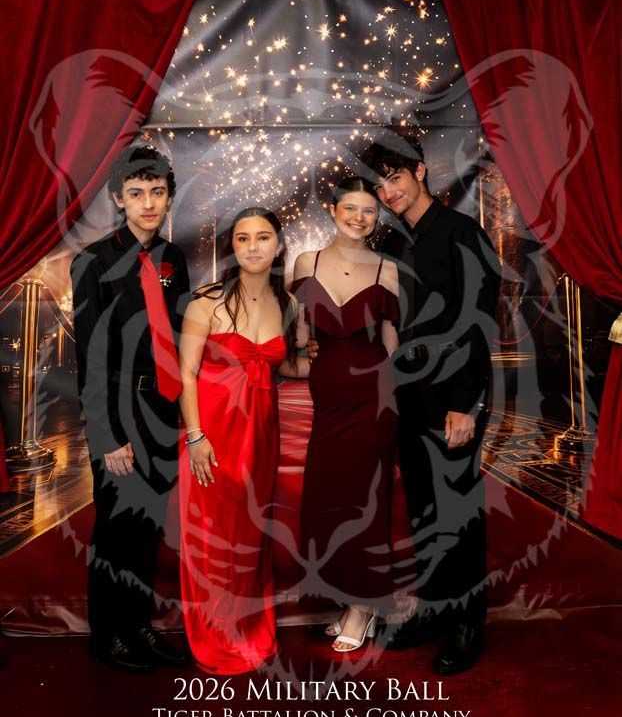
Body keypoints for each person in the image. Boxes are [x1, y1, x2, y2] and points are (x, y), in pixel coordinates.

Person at [360, 133, 501, 674]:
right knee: (423, 507)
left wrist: (465, 404)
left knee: (458, 509)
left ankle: (468, 623)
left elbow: (479, 322)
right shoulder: (391, 243)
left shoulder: (463, 232)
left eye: (395, 178)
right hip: (408, 394)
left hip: (454, 394)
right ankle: (434, 609)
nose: (388, 192)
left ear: (420, 172)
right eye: (380, 186)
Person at [71, 145, 191, 673]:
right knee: (116, 529)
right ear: (119, 199)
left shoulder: (173, 259)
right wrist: (105, 436)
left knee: (147, 528)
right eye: (136, 193)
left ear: (168, 197)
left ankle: (139, 625)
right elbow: (90, 356)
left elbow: (181, 334)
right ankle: (109, 635)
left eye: (157, 192)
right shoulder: (93, 261)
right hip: (118, 414)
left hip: (161, 409)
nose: (148, 203)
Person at [178, 207, 307, 674]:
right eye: (242, 238)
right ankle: (214, 632)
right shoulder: (206, 302)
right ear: (232, 247)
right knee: (213, 537)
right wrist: (196, 438)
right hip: (212, 432)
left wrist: (336, 358)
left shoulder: (290, 305)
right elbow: (185, 375)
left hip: (261, 433)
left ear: (278, 245)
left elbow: (285, 365)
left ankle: (248, 627)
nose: (253, 247)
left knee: (251, 535)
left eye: (263, 237)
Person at [292, 176, 400, 653]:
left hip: (373, 396)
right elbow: (299, 334)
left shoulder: (387, 269)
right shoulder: (306, 262)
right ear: (333, 210)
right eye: (350, 208)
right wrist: (300, 351)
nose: (359, 217)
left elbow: (392, 341)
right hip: (328, 399)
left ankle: (363, 605)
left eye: (369, 210)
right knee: (329, 497)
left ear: (378, 217)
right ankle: (350, 595)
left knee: (365, 499)